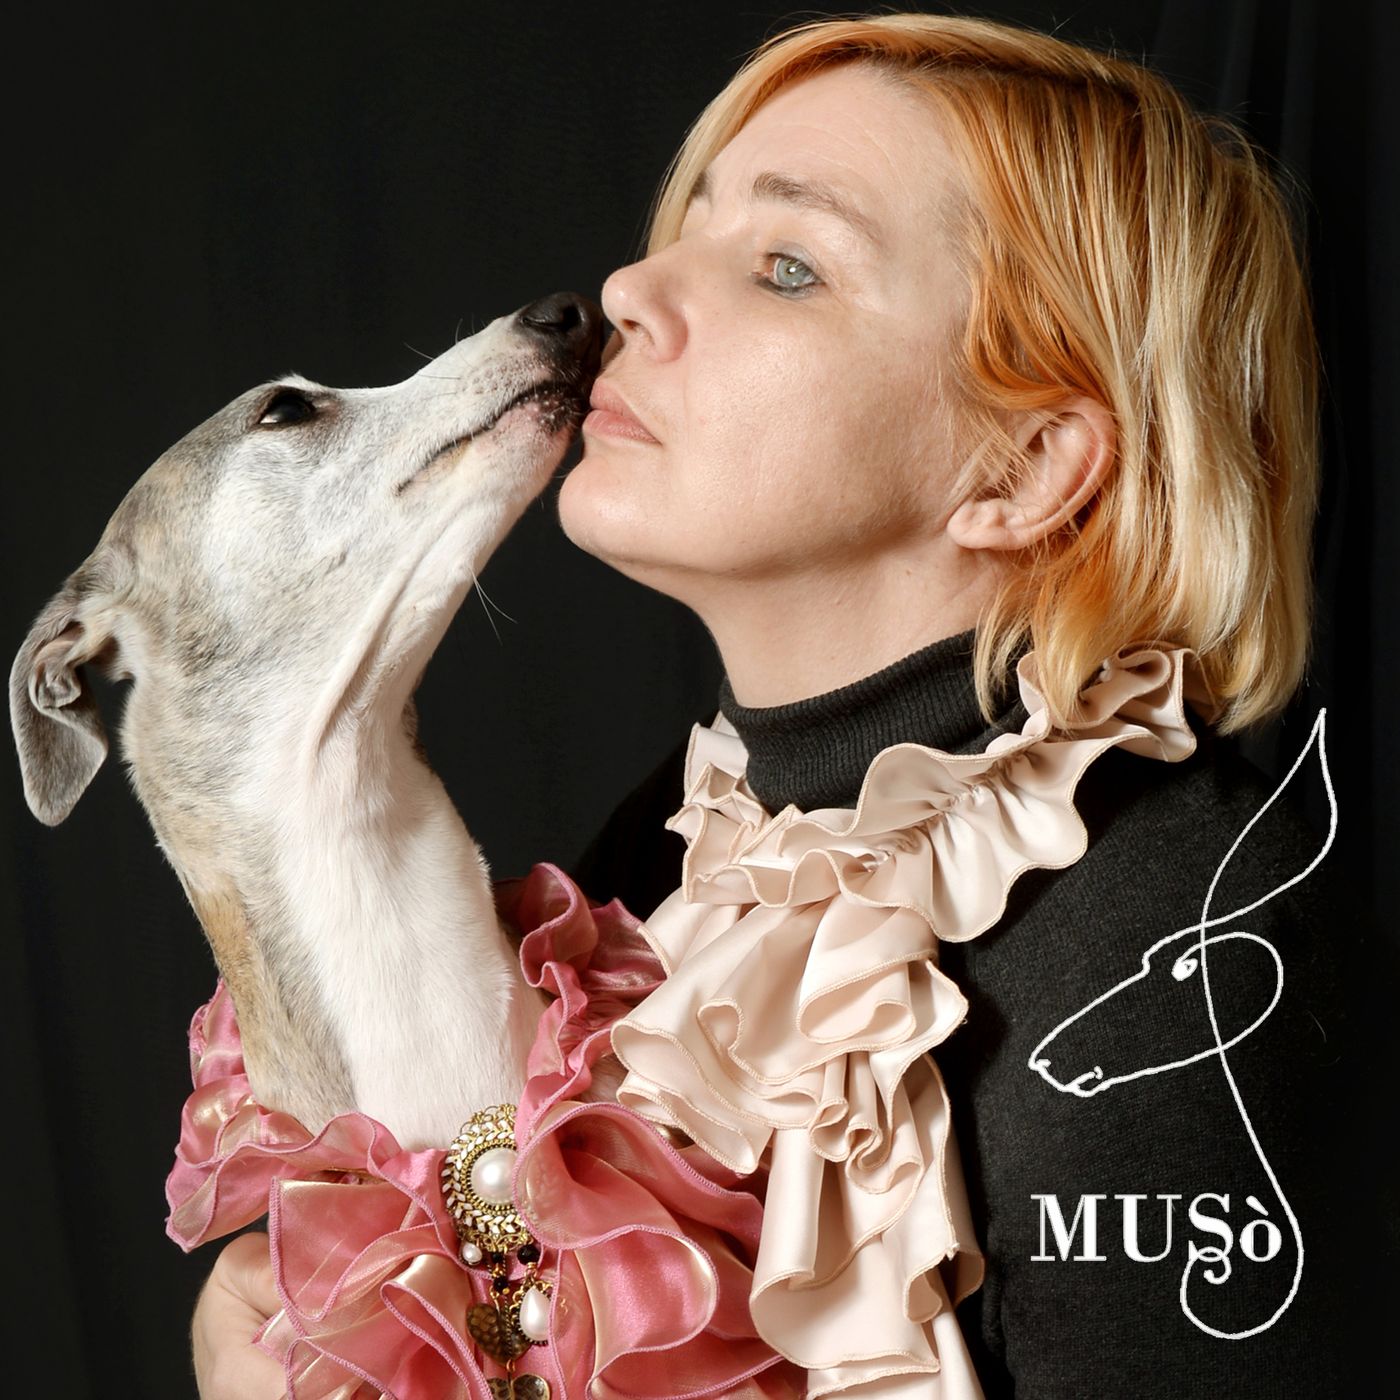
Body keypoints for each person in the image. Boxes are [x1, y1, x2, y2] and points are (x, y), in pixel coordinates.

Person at [194, 12, 1388, 1397]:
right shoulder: (658, 855)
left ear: (1023, 468)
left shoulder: (1191, 939)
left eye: (788, 267)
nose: (629, 288)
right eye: (688, 225)